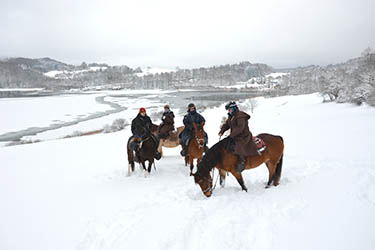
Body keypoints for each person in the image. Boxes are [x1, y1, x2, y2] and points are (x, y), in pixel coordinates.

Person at [218, 101, 259, 173]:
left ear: (234, 108)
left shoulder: (240, 116)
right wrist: (222, 131)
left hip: (243, 136)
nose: (229, 111)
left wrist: (231, 135)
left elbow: (240, 127)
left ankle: (242, 162)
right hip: (235, 135)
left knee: (239, 146)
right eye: (228, 110)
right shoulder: (231, 116)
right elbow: (227, 124)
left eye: (229, 109)